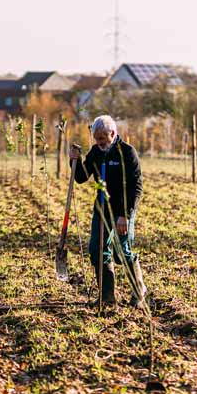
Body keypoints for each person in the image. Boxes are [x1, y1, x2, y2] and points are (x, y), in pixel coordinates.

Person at [69, 115, 146, 306]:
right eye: (96, 139)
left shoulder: (127, 153)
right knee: (97, 250)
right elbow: (81, 177)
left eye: (102, 138)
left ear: (112, 133)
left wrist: (125, 216)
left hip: (122, 210)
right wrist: (75, 162)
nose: (99, 142)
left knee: (122, 253)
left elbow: (136, 187)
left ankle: (139, 292)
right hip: (102, 208)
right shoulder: (96, 152)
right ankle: (107, 297)